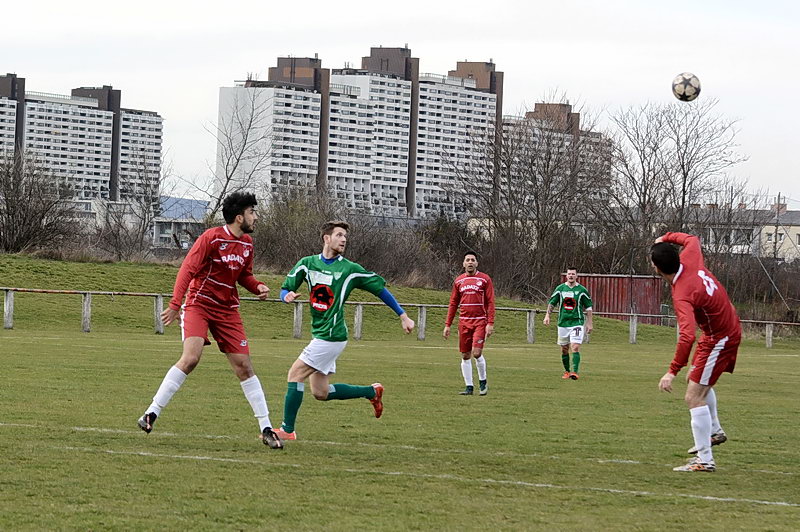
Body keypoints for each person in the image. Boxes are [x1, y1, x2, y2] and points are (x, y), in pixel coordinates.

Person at [137, 192, 283, 450]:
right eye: (252, 212)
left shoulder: (247, 243)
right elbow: (187, 270)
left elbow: (244, 276)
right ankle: (151, 412)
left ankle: (266, 429)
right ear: (239, 217)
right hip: (199, 304)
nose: (256, 217)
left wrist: (257, 286)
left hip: (227, 310)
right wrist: (175, 304)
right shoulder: (211, 238)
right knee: (191, 358)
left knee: (244, 367)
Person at [273, 220, 415, 441]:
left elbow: (379, 289)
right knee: (320, 392)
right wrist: (286, 296)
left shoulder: (349, 269)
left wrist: (402, 315)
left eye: (345, 237)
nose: (343, 240)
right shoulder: (307, 264)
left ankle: (287, 430)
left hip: (331, 335)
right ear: (326, 238)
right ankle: (371, 391)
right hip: (321, 334)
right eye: (339, 235)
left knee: (295, 374)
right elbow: (285, 288)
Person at [651, 232, 741, 473]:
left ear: (657, 268)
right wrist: (666, 236)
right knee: (696, 381)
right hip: (719, 332)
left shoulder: (682, 293)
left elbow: (687, 336)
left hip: (720, 338)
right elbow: (692, 239)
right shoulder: (689, 257)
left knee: (693, 397)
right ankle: (714, 431)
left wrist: (671, 371)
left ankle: (705, 460)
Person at [443, 251, 495, 395]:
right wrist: (447, 325)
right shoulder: (459, 281)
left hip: (480, 321)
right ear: (464, 263)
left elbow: (491, 301)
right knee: (465, 355)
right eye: (468, 260)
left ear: (476, 263)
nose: (470, 262)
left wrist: (490, 323)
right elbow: (453, 303)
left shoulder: (484, 279)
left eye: (473, 260)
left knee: (476, 353)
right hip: (464, 322)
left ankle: (483, 382)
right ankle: (469, 387)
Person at [543, 268, 593, 380]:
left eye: (573, 274)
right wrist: (547, 316)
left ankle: (574, 372)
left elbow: (588, 307)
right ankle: (567, 371)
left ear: (576, 276)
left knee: (575, 346)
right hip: (563, 323)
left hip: (577, 322)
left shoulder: (582, 290)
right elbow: (552, 303)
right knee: (564, 349)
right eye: (569, 274)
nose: (571, 276)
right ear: (566, 276)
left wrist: (589, 323)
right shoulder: (560, 289)